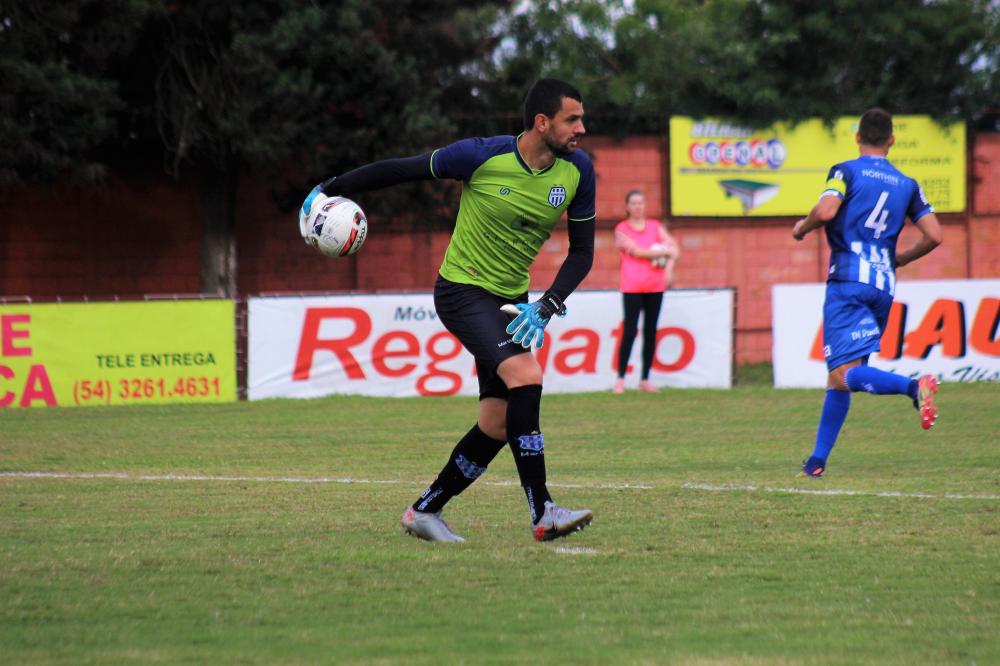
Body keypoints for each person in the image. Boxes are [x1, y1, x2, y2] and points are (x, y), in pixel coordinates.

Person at [300, 79, 596, 541]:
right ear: (542, 123)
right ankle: (544, 511)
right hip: (462, 291)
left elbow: (582, 253)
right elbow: (402, 170)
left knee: (497, 423)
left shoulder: (579, 172)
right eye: (572, 119)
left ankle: (424, 511)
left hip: (511, 301)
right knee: (527, 376)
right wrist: (329, 188)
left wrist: (548, 304)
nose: (582, 128)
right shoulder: (480, 155)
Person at [792, 107, 943, 478]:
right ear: (891, 140)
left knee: (844, 374)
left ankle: (914, 386)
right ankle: (817, 460)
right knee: (841, 375)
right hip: (883, 285)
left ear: (858, 137)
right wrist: (901, 259)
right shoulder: (908, 184)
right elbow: (935, 235)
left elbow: (827, 211)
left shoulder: (846, 170)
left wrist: (803, 226)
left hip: (848, 281)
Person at [613, 190, 679, 393]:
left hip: (655, 286)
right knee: (630, 331)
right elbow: (638, 252)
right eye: (633, 203)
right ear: (627, 207)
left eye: (640, 203)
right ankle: (621, 379)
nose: (637, 207)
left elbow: (674, 248)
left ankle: (645, 379)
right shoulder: (621, 229)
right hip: (632, 287)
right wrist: (664, 252)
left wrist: (668, 269)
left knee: (651, 332)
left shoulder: (655, 227)